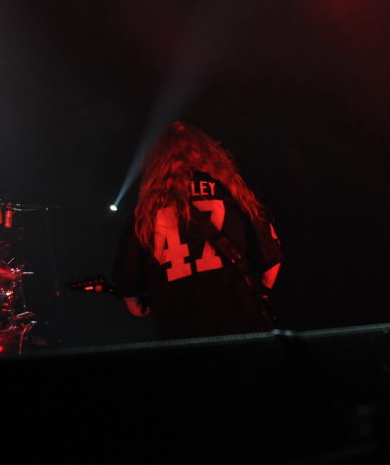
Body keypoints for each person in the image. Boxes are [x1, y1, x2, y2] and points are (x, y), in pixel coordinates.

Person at [113, 122, 281, 339]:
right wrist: (260, 294)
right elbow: (271, 258)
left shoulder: (145, 211)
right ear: (206, 153)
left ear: (155, 162)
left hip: (182, 334)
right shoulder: (231, 193)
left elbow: (129, 286)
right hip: (241, 325)